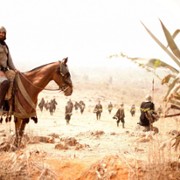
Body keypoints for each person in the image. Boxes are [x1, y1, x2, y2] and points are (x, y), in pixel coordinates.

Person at [0, 26, 16, 111]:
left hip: (5, 70)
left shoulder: (5, 46)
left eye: (3, 33)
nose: (2, 34)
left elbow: (9, 61)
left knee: (16, 78)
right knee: (5, 82)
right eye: (0, 33)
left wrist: (15, 69)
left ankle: (9, 104)